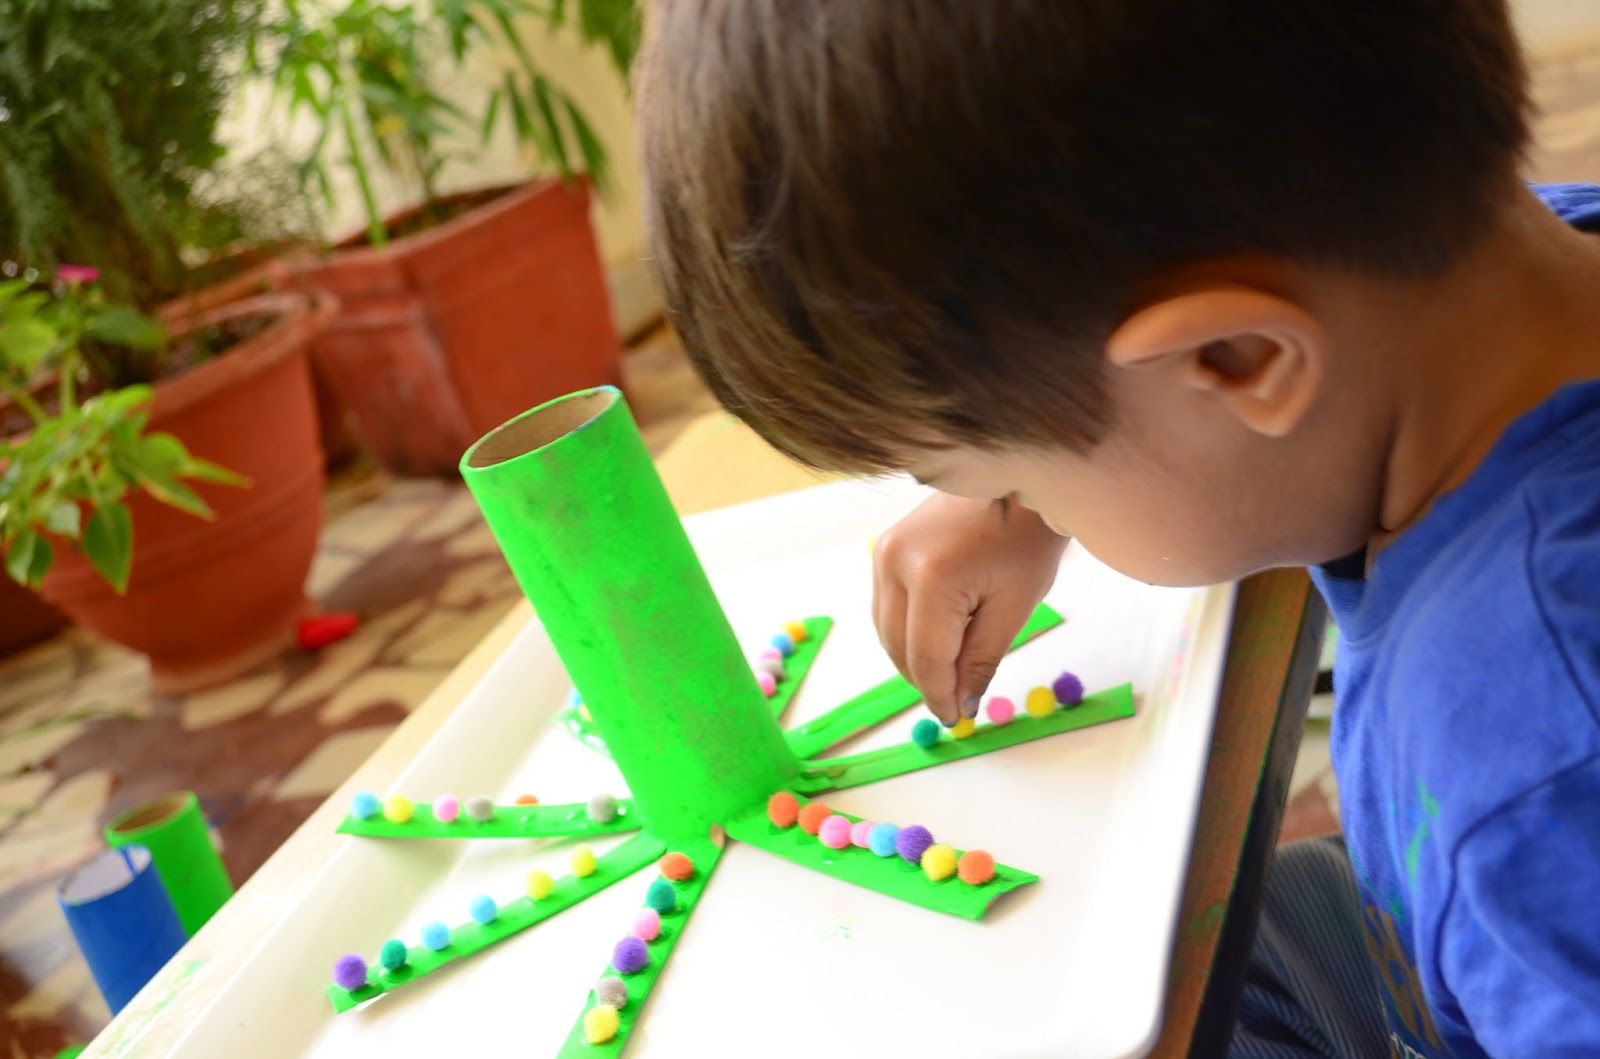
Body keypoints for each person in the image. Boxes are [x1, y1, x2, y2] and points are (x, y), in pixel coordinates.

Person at [636, 1, 1600, 1055]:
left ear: (1235, 362)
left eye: (1010, 475)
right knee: (1224, 951)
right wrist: (1038, 459)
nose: (1023, 508)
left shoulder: (1535, 777)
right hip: (1443, 940)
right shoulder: (1482, 292)